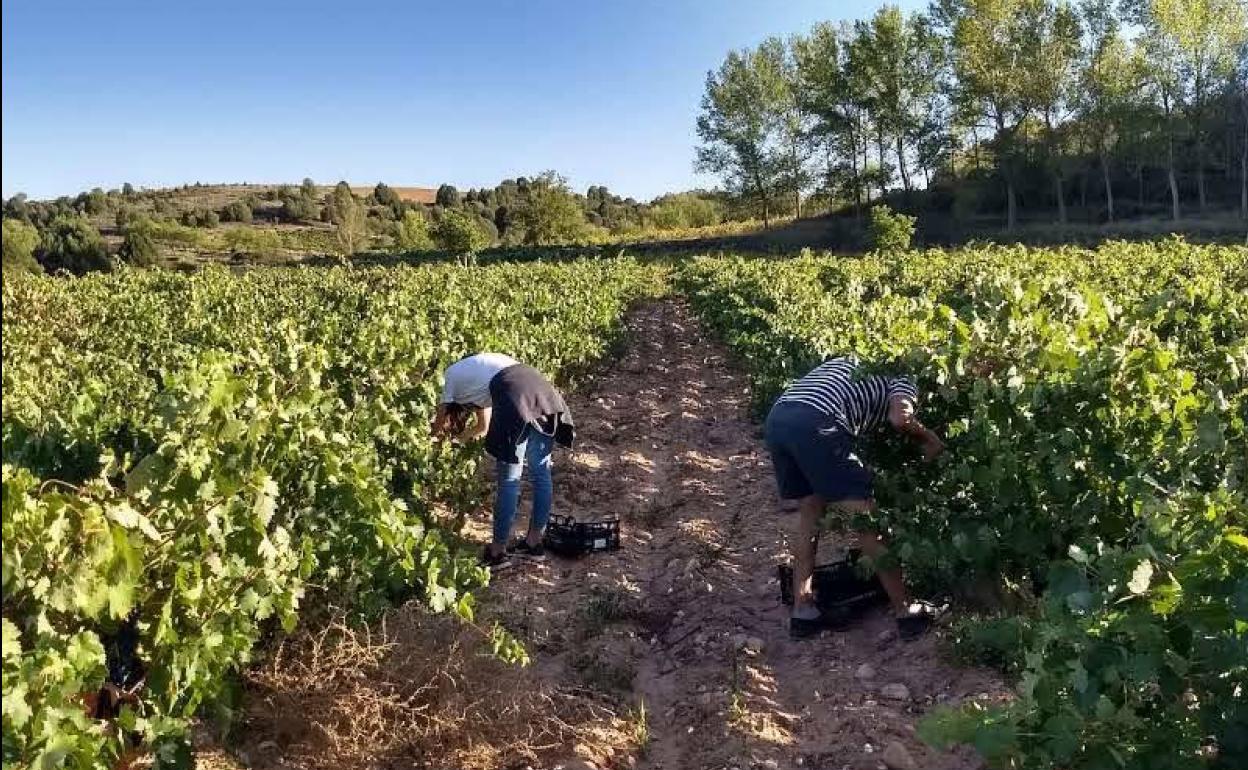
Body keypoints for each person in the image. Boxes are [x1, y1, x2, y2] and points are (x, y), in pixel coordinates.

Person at [764, 355, 946, 640]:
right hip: (818, 423)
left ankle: (803, 611)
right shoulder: (903, 374)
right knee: (866, 521)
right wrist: (929, 438)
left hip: (780, 418)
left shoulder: (854, 359)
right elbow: (900, 418)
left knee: (810, 513)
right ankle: (907, 611)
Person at [431, 353, 575, 570]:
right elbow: (483, 427)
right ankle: (534, 544)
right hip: (545, 393)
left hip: (517, 397)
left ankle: (497, 553)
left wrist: (434, 440)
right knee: (541, 473)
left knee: (509, 479)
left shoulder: (451, 374)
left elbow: (441, 416)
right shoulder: (482, 375)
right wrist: (458, 440)